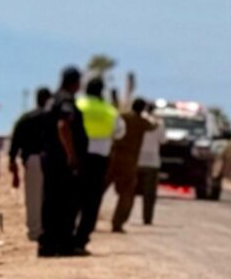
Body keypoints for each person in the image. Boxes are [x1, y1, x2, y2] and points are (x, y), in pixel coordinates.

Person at [39, 67, 87, 256]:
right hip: (61, 160)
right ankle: (63, 244)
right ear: (74, 82)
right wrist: (71, 155)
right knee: (66, 202)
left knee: (50, 200)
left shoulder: (52, 99)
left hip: (50, 157)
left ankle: (48, 244)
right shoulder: (66, 100)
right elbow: (63, 125)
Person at [73, 75, 118, 247]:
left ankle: (68, 234)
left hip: (78, 157)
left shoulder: (78, 105)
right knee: (92, 201)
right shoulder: (109, 111)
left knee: (74, 198)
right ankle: (82, 239)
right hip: (99, 160)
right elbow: (120, 132)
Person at [9, 87, 56, 244]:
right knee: (50, 195)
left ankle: (35, 231)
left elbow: (15, 141)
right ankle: (48, 228)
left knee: (33, 197)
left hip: (32, 160)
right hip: (52, 159)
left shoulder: (26, 118)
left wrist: (12, 161)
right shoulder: (53, 117)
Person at [108, 95, 152, 232]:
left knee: (98, 189)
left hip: (114, 157)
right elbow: (153, 126)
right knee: (127, 194)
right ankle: (118, 223)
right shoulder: (143, 122)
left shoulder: (122, 117)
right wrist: (149, 113)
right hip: (130, 161)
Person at [134, 102, 162, 226]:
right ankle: (147, 218)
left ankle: (122, 217)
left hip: (136, 160)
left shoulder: (137, 120)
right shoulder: (159, 123)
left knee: (129, 191)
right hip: (152, 162)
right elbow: (163, 140)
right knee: (149, 195)